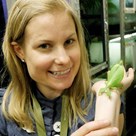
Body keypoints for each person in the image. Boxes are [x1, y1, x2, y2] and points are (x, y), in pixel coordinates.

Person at [0, 0, 134, 135]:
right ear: (19, 50)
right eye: (45, 46)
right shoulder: (5, 110)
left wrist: (108, 95)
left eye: (69, 42)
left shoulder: (97, 101)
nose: (64, 59)